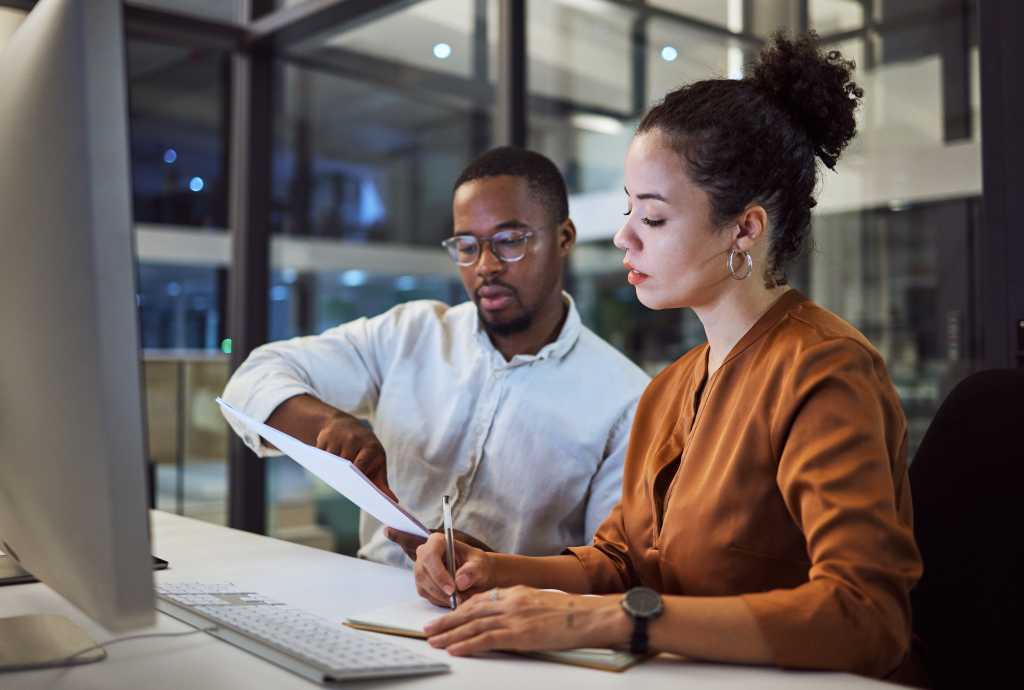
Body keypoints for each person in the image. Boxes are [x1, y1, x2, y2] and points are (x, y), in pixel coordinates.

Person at [412, 33, 923, 680]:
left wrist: (614, 621)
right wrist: (491, 569)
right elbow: (623, 562)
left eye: (652, 219)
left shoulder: (826, 371)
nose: (624, 235)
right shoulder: (672, 387)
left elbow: (864, 617)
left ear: (745, 229)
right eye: (630, 211)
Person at [221, 147, 650, 568]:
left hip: (510, 620)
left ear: (564, 238)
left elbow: (611, 568)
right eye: (467, 245)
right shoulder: (408, 334)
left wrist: (495, 567)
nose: (485, 265)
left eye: (509, 241)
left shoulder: (626, 400)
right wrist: (326, 424)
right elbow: (253, 378)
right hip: (369, 594)